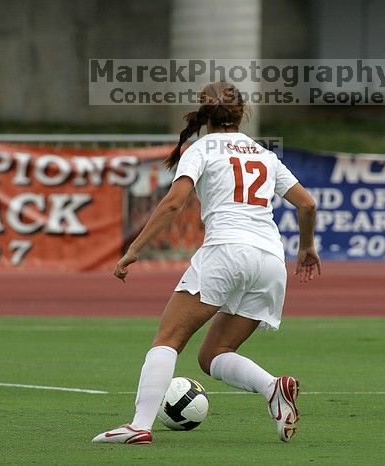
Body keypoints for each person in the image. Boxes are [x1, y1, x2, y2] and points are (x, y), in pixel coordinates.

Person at [92, 81, 321, 444]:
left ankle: (139, 425)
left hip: (226, 251)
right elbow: (307, 204)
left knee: (168, 339)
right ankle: (273, 389)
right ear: (242, 114)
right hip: (270, 260)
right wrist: (306, 246)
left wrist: (135, 247)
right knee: (213, 354)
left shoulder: (201, 148)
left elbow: (172, 203)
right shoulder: (263, 154)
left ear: (202, 112)